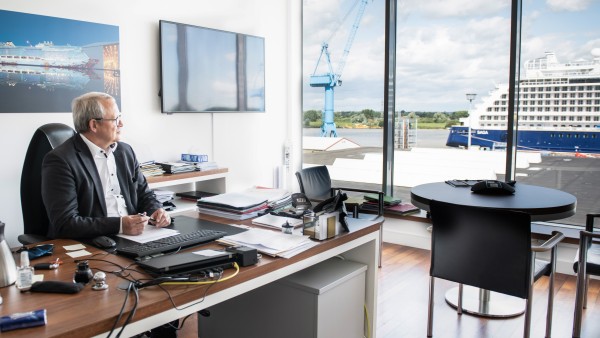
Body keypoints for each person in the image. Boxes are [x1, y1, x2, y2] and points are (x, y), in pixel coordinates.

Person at [41, 92, 171, 239]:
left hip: (137, 236)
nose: (121, 124)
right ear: (94, 125)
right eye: (116, 119)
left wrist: (156, 210)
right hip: (95, 241)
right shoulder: (60, 160)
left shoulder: (125, 151)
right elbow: (65, 223)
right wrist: (120, 226)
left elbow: (144, 194)